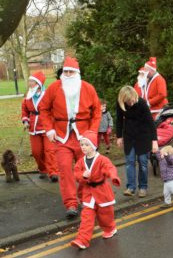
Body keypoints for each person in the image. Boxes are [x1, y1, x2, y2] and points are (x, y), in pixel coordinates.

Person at [39, 57, 102, 218]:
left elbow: (96, 111)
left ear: (77, 73)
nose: (68, 74)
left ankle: (86, 198)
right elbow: (44, 108)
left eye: (71, 72)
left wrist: (93, 132)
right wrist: (49, 129)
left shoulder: (88, 88)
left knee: (86, 170)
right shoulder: (54, 88)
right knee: (65, 170)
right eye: (65, 71)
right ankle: (71, 204)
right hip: (61, 136)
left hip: (84, 137)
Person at [70, 131, 120, 250]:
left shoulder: (102, 159)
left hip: (102, 192)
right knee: (86, 216)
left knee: (105, 216)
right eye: (82, 145)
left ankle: (110, 228)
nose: (83, 147)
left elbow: (110, 168)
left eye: (86, 144)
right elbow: (76, 173)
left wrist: (114, 177)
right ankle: (82, 240)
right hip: (88, 193)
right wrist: (83, 175)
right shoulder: (81, 161)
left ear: (93, 145)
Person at [115, 86, 159, 198]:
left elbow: (151, 123)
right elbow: (119, 120)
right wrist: (119, 136)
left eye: (133, 100)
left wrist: (154, 141)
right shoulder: (121, 104)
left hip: (143, 136)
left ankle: (143, 187)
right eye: (129, 101)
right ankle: (131, 187)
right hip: (129, 136)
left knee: (143, 163)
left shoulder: (142, 103)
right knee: (130, 162)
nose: (131, 102)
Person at [21, 71, 58, 182]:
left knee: (50, 150)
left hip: (47, 127)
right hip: (33, 128)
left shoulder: (47, 94)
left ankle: (53, 172)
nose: (29, 83)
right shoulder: (28, 95)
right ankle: (42, 169)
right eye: (29, 81)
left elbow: (54, 109)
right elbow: (24, 110)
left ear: (38, 83)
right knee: (36, 152)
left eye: (32, 81)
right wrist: (25, 121)